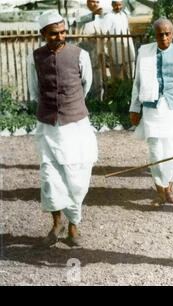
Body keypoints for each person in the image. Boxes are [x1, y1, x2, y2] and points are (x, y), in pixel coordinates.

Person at [27, 10, 98, 247]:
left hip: (76, 126)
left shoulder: (80, 55)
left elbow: (86, 85)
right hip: (48, 127)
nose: (60, 37)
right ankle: (56, 223)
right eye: (54, 34)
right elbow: (34, 89)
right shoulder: (35, 57)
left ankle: (74, 227)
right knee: (50, 178)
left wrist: (70, 105)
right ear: (43, 34)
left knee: (76, 178)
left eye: (63, 32)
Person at [129, 18, 173, 206]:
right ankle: (160, 192)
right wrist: (134, 108)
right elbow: (137, 82)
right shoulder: (145, 53)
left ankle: (168, 187)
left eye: (167, 33)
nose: (164, 37)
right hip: (152, 109)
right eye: (160, 34)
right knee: (155, 152)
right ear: (155, 34)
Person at [76, 0, 109, 100]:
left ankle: (98, 99)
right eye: (93, 1)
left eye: (97, 2)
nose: (95, 4)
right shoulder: (81, 11)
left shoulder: (99, 15)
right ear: (87, 2)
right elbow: (79, 19)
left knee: (97, 73)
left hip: (97, 47)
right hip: (85, 47)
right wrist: (93, 14)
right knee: (85, 72)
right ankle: (86, 99)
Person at [103, 0, 136, 80]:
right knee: (117, 66)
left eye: (120, 5)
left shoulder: (124, 15)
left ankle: (130, 82)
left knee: (129, 63)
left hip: (126, 44)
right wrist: (106, 49)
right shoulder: (108, 16)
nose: (118, 7)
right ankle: (118, 85)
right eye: (116, 5)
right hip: (115, 45)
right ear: (112, 5)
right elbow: (105, 32)